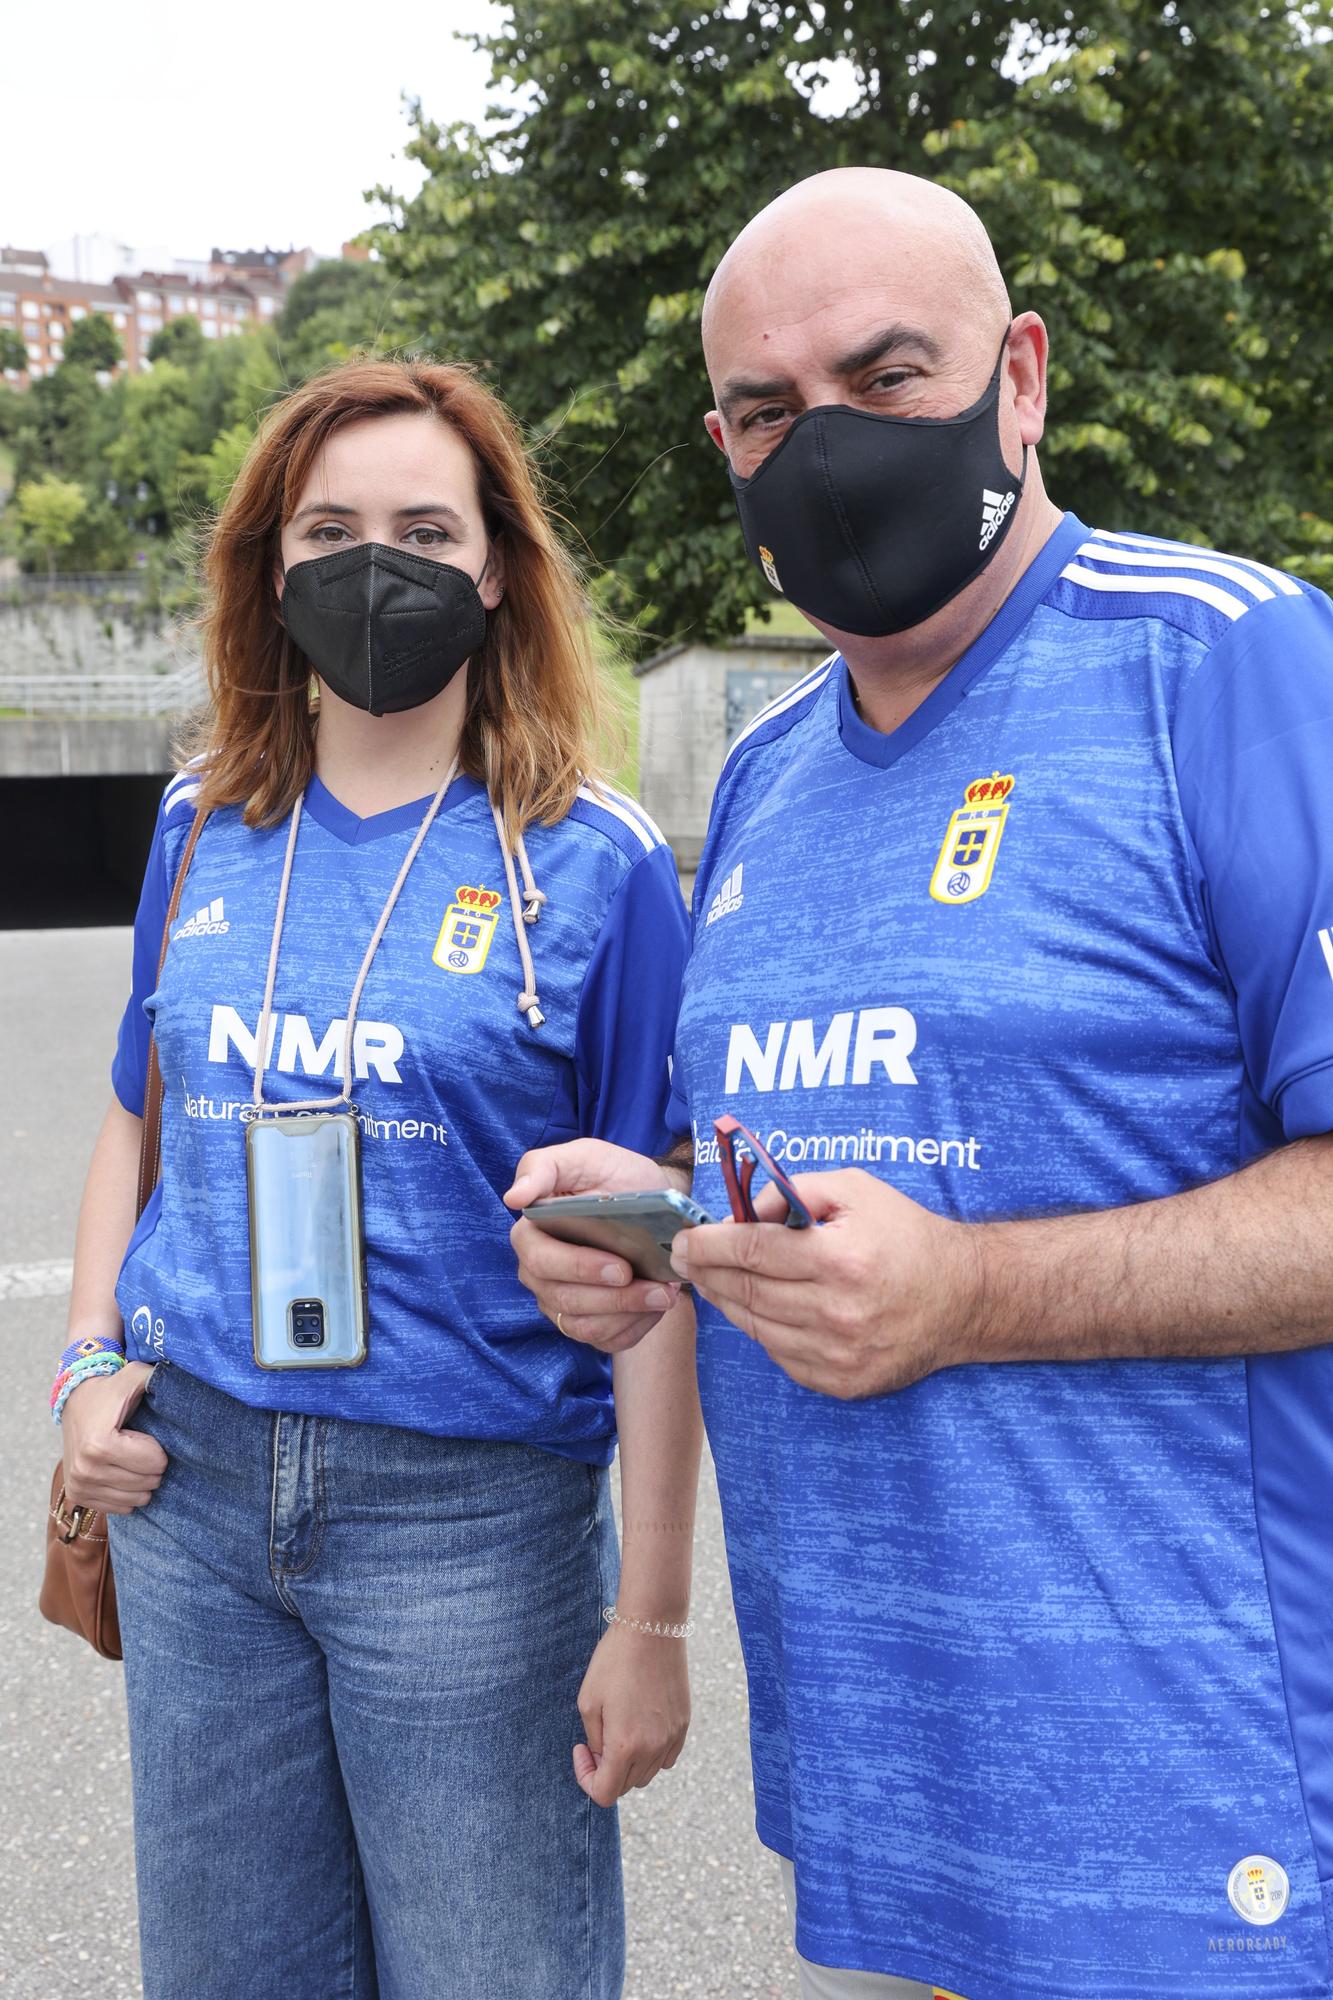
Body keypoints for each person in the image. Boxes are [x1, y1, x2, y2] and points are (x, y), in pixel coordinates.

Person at [507, 168, 1333, 2000]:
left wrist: (973, 1294)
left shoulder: (1229, 664)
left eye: (888, 379)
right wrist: (649, 1236)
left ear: (1018, 377)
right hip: (887, 1827)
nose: (826, 446)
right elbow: (813, 1178)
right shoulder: (772, 780)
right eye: (763, 411)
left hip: (1204, 1829)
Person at [53, 356, 701, 2000]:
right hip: (190, 1497)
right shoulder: (203, 821)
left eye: (425, 526)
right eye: (328, 528)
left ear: (496, 566)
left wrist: (651, 1615)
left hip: (469, 1526)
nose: (374, 564)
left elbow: (652, 1249)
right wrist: (81, 1371)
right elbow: (135, 1119)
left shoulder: (594, 860)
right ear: (271, 565)